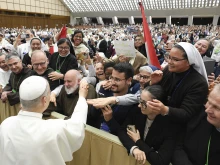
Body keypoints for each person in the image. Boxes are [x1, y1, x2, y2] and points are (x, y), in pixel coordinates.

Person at [0, 76, 89, 165]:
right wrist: (81, 97)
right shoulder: (53, 129)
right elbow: (77, 125)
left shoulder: (6, 123)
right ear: (45, 100)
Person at [148, 42, 208, 164]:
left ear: (189, 61)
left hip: (180, 131)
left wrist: (165, 110)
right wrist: (153, 84)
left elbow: (187, 113)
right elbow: (160, 94)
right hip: (160, 122)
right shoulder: (168, 71)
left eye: (175, 59)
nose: (169, 61)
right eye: (169, 57)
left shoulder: (198, 83)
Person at [118, 85, 179, 165]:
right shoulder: (137, 112)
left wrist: (138, 141)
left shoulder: (170, 126)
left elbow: (161, 161)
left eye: (143, 103)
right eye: (140, 100)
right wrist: (134, 148)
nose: (139, 105)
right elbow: (121, 131)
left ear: (156, 104)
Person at [181, 84, 220, 165]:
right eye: (208, 102)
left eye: (216, 107)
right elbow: (178, 145)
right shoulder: (198, 116)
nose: (207, 110)